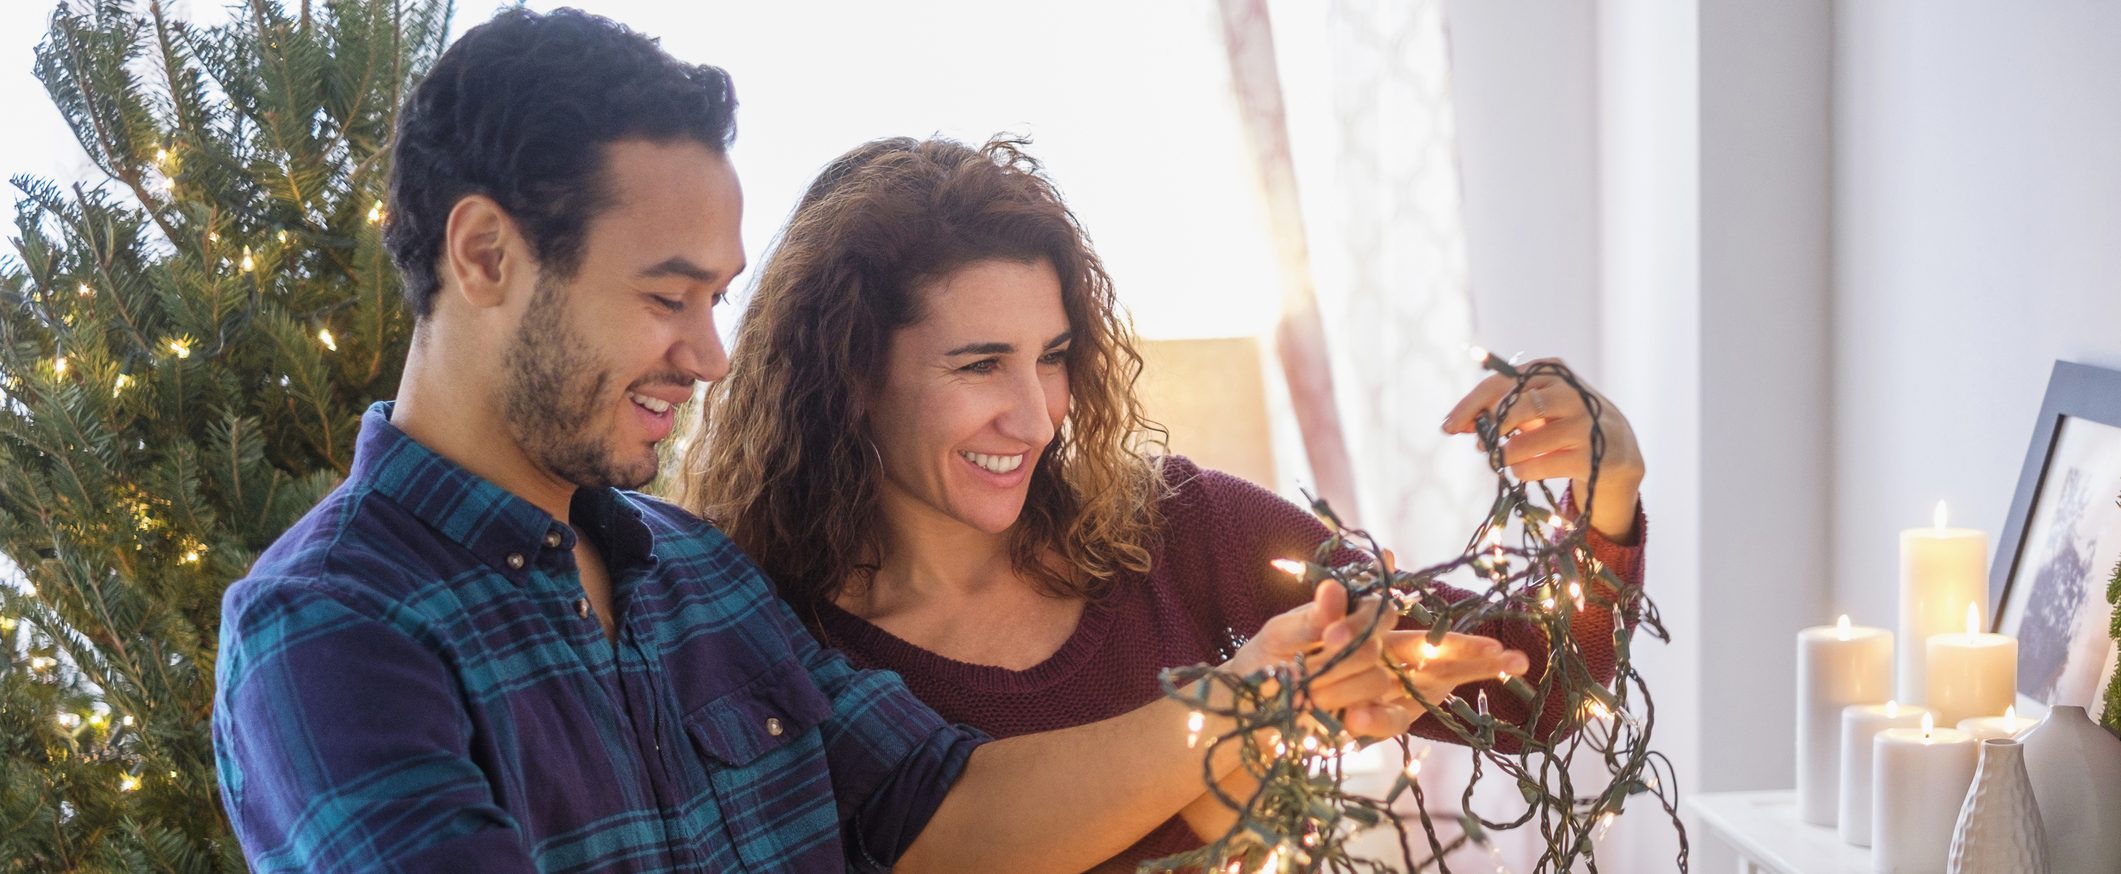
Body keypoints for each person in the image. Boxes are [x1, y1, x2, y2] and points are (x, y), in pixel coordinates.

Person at [207, 9, 1516, 873]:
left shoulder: (695, 574)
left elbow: (948, 815)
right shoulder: (332, 632)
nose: (709, 354)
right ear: (486, 253)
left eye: (717, 298)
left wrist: (1253, 702)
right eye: (667, 295)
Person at [679, 135, 1650, 869]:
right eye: (980, 365)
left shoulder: (1178, 529)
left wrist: (1605, 486)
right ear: (851, 374)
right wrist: (1242, 722)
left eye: (1054, 358)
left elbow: (1534, 693)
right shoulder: (766, 630)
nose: (1035, 415)